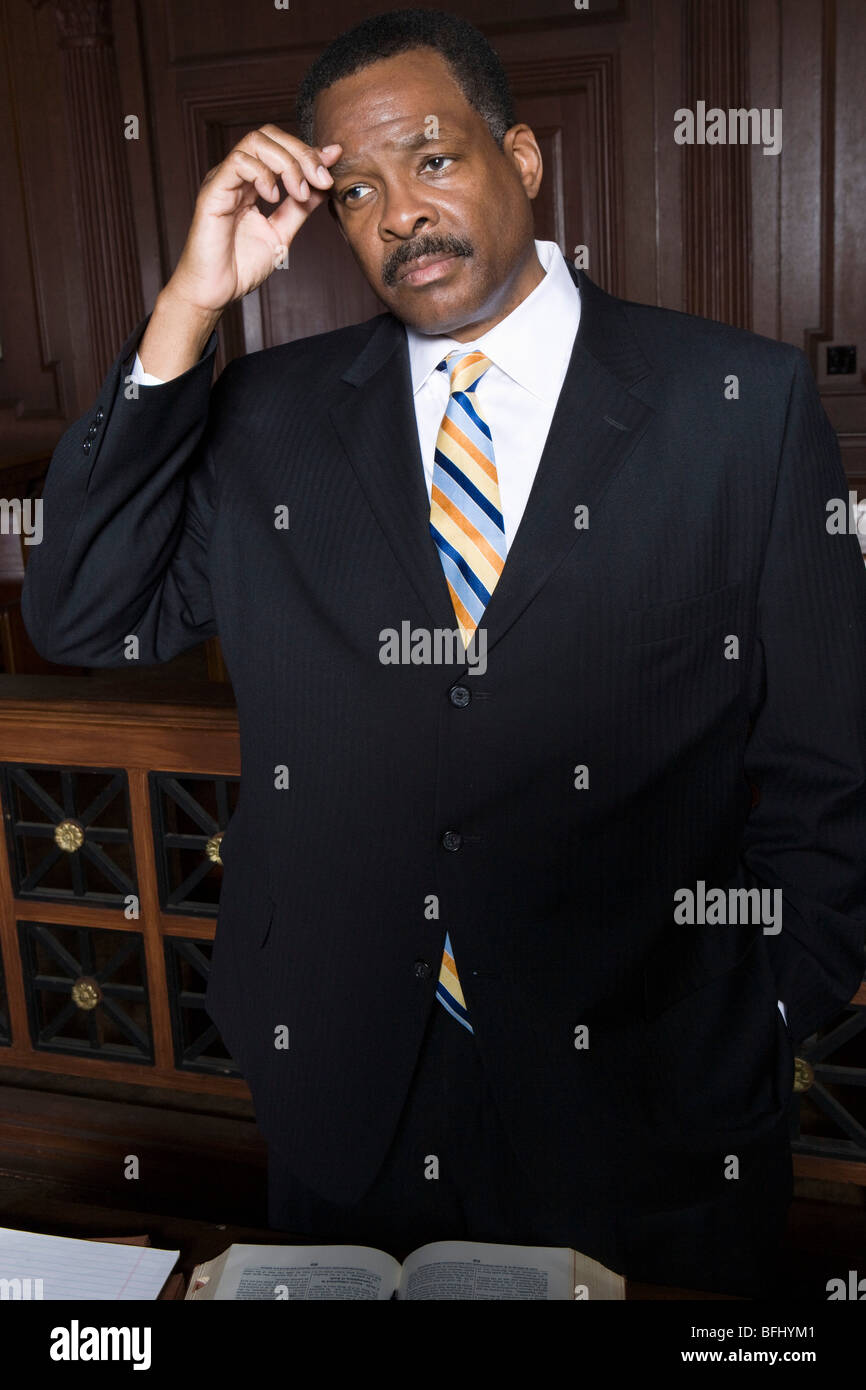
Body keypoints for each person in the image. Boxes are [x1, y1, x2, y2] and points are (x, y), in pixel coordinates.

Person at [22, 9, 866, 1297]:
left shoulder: (734, 409)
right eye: (353, 189)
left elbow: (831, 766)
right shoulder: (270, 420)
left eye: (432, 159)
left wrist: (759, 1016)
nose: (397, 213)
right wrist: (189, 304)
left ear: (522, 159)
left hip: (649, 1092)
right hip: (351, 1089)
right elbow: (82, 612)